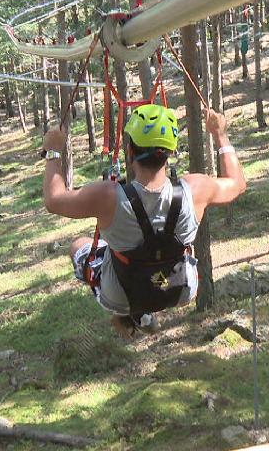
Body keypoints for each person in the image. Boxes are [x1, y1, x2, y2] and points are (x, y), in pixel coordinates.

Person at [42, 105, 246, 338]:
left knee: (79, 245)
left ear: (130, 152)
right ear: (170, 152)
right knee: (134, 256)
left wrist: (54, 152)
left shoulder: (108, 196)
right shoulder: (196, 189)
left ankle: (129, 313)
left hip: (121, 294)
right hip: (178, 289)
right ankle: (142, 314)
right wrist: (220, 134)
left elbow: (54, 200)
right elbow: (237, 184)